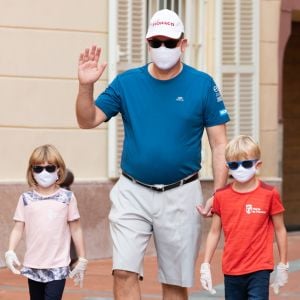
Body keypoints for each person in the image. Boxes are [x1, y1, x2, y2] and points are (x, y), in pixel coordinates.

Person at [76, 9, 230, 300]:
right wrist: (86, 86)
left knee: (174, 282)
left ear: (183, 44)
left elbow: (220, 144)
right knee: (123, 272)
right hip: (132, 190)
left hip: (182, 193)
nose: (162, 48)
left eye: (169, 43)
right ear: (148, 43)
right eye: (156, 42)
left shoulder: (203, 84)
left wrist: (219, 193)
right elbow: (87, 120)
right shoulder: (127, 83)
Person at [199, 135, 288, 299]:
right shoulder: (221, 196)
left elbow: (280, 229)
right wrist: (205, 264)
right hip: (232, 269)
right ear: (228, 167)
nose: (240, 168)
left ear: (257, 165)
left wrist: (283, 263)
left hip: (260, 268)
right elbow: (214, 232)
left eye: (246, 163)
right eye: (234, 164)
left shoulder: (269, 194)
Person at [5, 144, 88, 300]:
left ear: (58, 170)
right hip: (33, 264)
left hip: (58, 265)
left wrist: (82, 259)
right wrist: (10, 251)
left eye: (50, 168)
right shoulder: (26, 199)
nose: (44, 172)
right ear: (31, 171)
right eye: (38, 168)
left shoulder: (67, 198)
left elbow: (76, 229)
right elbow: (18, 228)